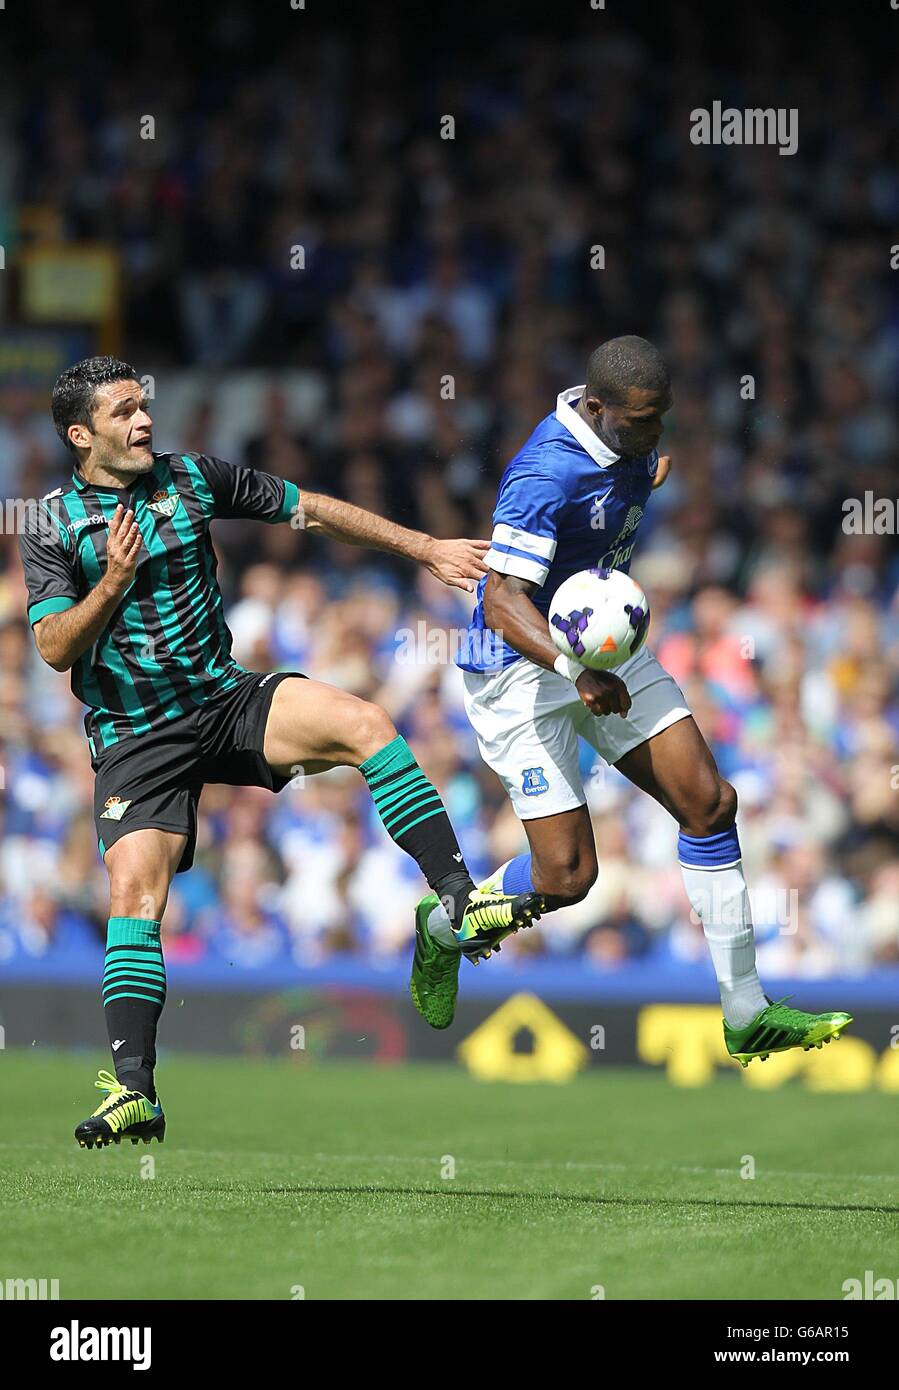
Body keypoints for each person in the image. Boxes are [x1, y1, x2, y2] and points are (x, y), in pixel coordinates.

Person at [19, 356, 542, 1148]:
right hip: (135, 734)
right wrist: (113, 582)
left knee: (365, 723)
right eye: (124, 412)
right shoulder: (52, 523)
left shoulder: (191, 477)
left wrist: (424, 547)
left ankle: (458, 901)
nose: (144, 421)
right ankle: (135, 1091)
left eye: (144, 406)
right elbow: (55, 647)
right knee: (135, 897)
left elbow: (309, 511)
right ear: (80, 434)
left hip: (224, 699)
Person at [409, 336, 851, 1069]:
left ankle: (745, 1012)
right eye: (643, 421)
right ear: (595, 407)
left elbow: (634, 478)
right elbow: (499, 601)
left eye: (662, 418)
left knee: (709, 803)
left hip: (604, 650)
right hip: (519, 671)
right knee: (567, 878)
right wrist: (569, 670)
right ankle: (445, 929)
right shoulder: (544, 475)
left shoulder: (631, 445)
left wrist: (648, 472)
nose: (655, 434)